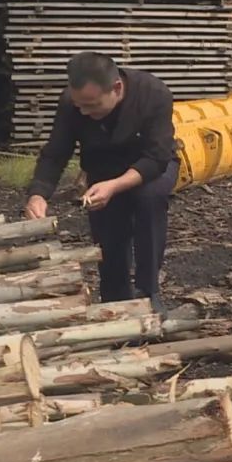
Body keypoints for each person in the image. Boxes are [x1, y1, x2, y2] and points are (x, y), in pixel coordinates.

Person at [24, 52, 178, 312]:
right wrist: (38, 194)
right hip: (103, 166)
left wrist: (116, 185)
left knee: (148, 200)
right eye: (79, 105)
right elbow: (55, 152)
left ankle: (148, 291)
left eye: (92, 105)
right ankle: (115, 299)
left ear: (116, 88)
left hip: (150, 165)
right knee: (108, 229)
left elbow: (157, 157)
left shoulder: (153, 93)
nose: (84, 111)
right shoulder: (72, 103)